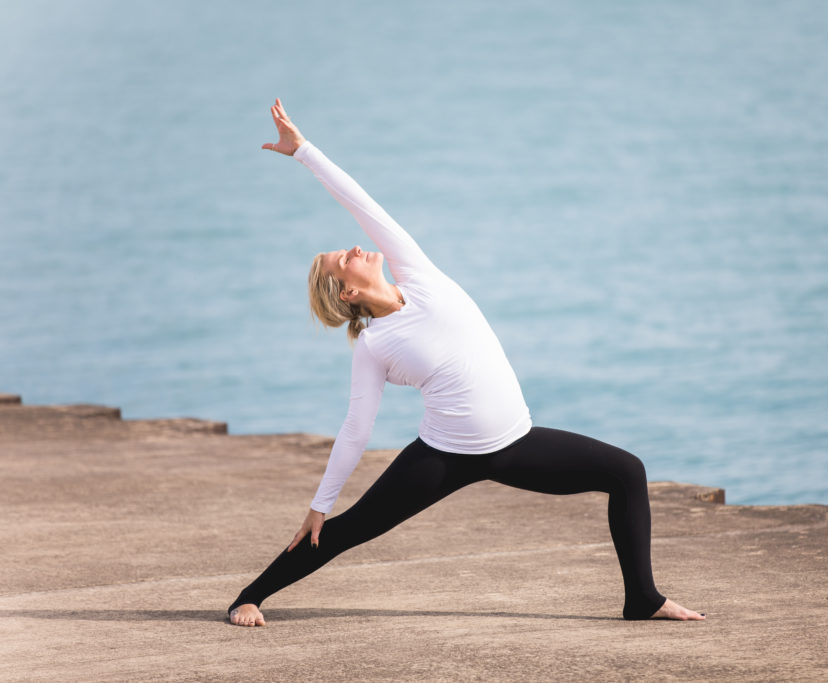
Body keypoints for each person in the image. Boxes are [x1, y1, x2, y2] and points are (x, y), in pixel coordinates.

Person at [227, 99, 706, 626]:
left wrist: (304, 152)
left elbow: (362, 203)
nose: (357, 248)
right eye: (345, 257)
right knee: (346, 529)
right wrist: (320, 504)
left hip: (515, 443)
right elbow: (355, 429)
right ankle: (248, 597)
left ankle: (643, 599)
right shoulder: (375, 346)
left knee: (627, 472)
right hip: (444, 456)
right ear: (345, 292)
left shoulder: (418, 273)